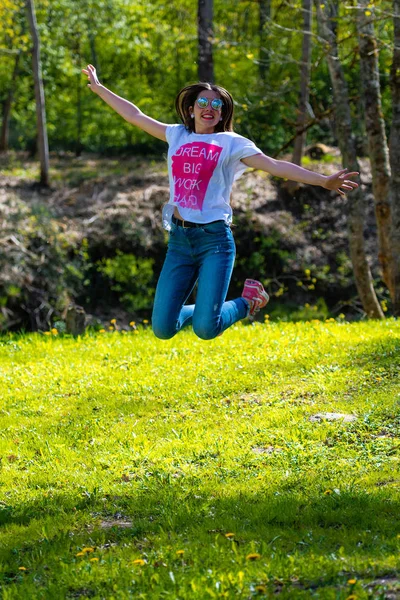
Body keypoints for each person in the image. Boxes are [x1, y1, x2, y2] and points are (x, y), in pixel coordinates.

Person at [82, 65, 358, 340]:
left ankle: (247, 302)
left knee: (206, 329)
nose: (209, 107)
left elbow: (274, 165)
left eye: (217, 104)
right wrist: (98, 88)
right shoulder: (177, 134)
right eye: (202, 101)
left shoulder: (231, 143)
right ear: (191, 108)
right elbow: (135, 115)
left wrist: (322, 180)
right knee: (163, 329)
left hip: (214, 241)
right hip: (179, 240)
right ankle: (205, 310)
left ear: (223, 113)